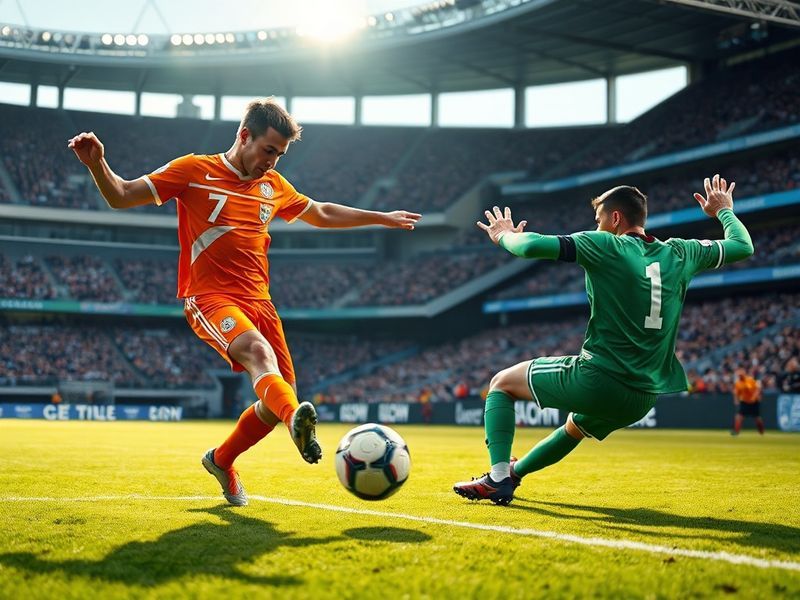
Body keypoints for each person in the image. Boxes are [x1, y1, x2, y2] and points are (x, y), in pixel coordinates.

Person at [69, 98, 421, 506]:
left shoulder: (272, 187)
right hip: (210, 296)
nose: (272, 161)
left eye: (281, 154)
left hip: (261, 303)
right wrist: (97, 163)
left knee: (276, 397)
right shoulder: (194, 170)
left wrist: (382, 217)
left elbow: (321, 212)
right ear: (244, 136)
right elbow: (122, 195)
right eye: (268, 150)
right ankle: (298, 423)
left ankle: (222, 460)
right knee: (259, 355)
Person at [454, 175, 753, 505]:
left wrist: (504, 235)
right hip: (643, 396)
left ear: (615, 219)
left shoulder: (605, 244)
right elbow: (742, 246)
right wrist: (724, 210)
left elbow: (531, 246)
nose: (595, 228)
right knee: (574, 428)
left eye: (598, 221)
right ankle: (513, 474)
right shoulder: (681, 252)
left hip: (600, 379)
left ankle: (497, 477)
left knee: (500, 384)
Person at [732, 368, 764, 435]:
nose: (740, 376)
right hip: (744, 402)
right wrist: (736, 400)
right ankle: (736, 432)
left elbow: (757, 389)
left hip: (754, 402)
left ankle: (761, 433)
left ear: (744, 374)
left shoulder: (750, 380)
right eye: (739, 375)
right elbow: (736, 393)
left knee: (757, 419)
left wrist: (754, 397)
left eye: (741, 375)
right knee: (739, 417)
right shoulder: (738, 384)